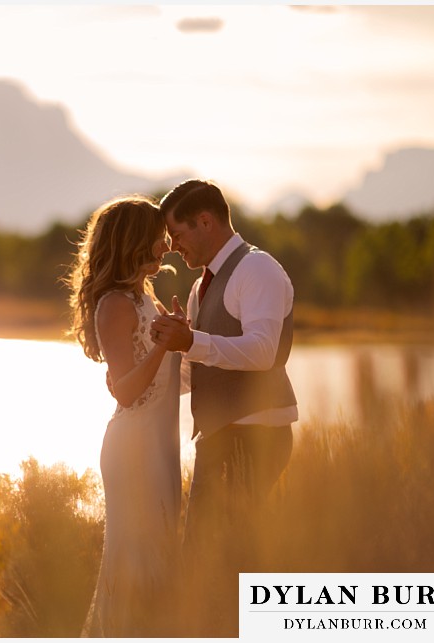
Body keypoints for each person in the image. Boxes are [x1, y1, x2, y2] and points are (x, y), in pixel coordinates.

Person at [149, 178, 298, 561]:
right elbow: (199, 368)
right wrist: (145, 382)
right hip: (220, 435)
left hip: (256, 434)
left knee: (226, 554)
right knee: (204, 551)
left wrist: (191, 342)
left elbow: (264, 351)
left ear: (205, 221)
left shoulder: (257, 269)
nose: (172, 246)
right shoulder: (202, 286)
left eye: (177, 234)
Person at [67, 195, 184, 637]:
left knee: (160, 559)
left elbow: (160, 376)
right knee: (137, 563)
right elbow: (129, 390)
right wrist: (163, 344)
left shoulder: (141, 294)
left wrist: (183, 339)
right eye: (158, 237)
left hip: (159, 443)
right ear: (136, 241)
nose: (166, 245)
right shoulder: (115, 304)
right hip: (134, 448)